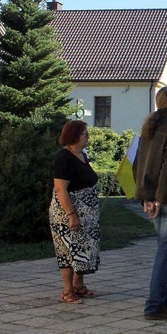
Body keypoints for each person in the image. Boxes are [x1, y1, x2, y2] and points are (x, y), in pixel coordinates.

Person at [133, 86, 167, 320]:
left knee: (162, 249)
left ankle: (163, 297)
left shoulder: (149, 129)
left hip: (153, 199)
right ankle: (154, 305)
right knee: (165, 252)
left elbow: (139, 165)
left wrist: (147, 198)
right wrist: (158, 199)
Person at [50, 120, 100, 304]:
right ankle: (67, 290)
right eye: (85, 134)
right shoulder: (64, 157)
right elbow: (60, 188)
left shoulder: (82, 155)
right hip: (67, 213)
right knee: (68, 250)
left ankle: (78, 284)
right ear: (74, 136)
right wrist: (72, 215)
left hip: (86, 213)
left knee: (83, 249)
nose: (88, 137)